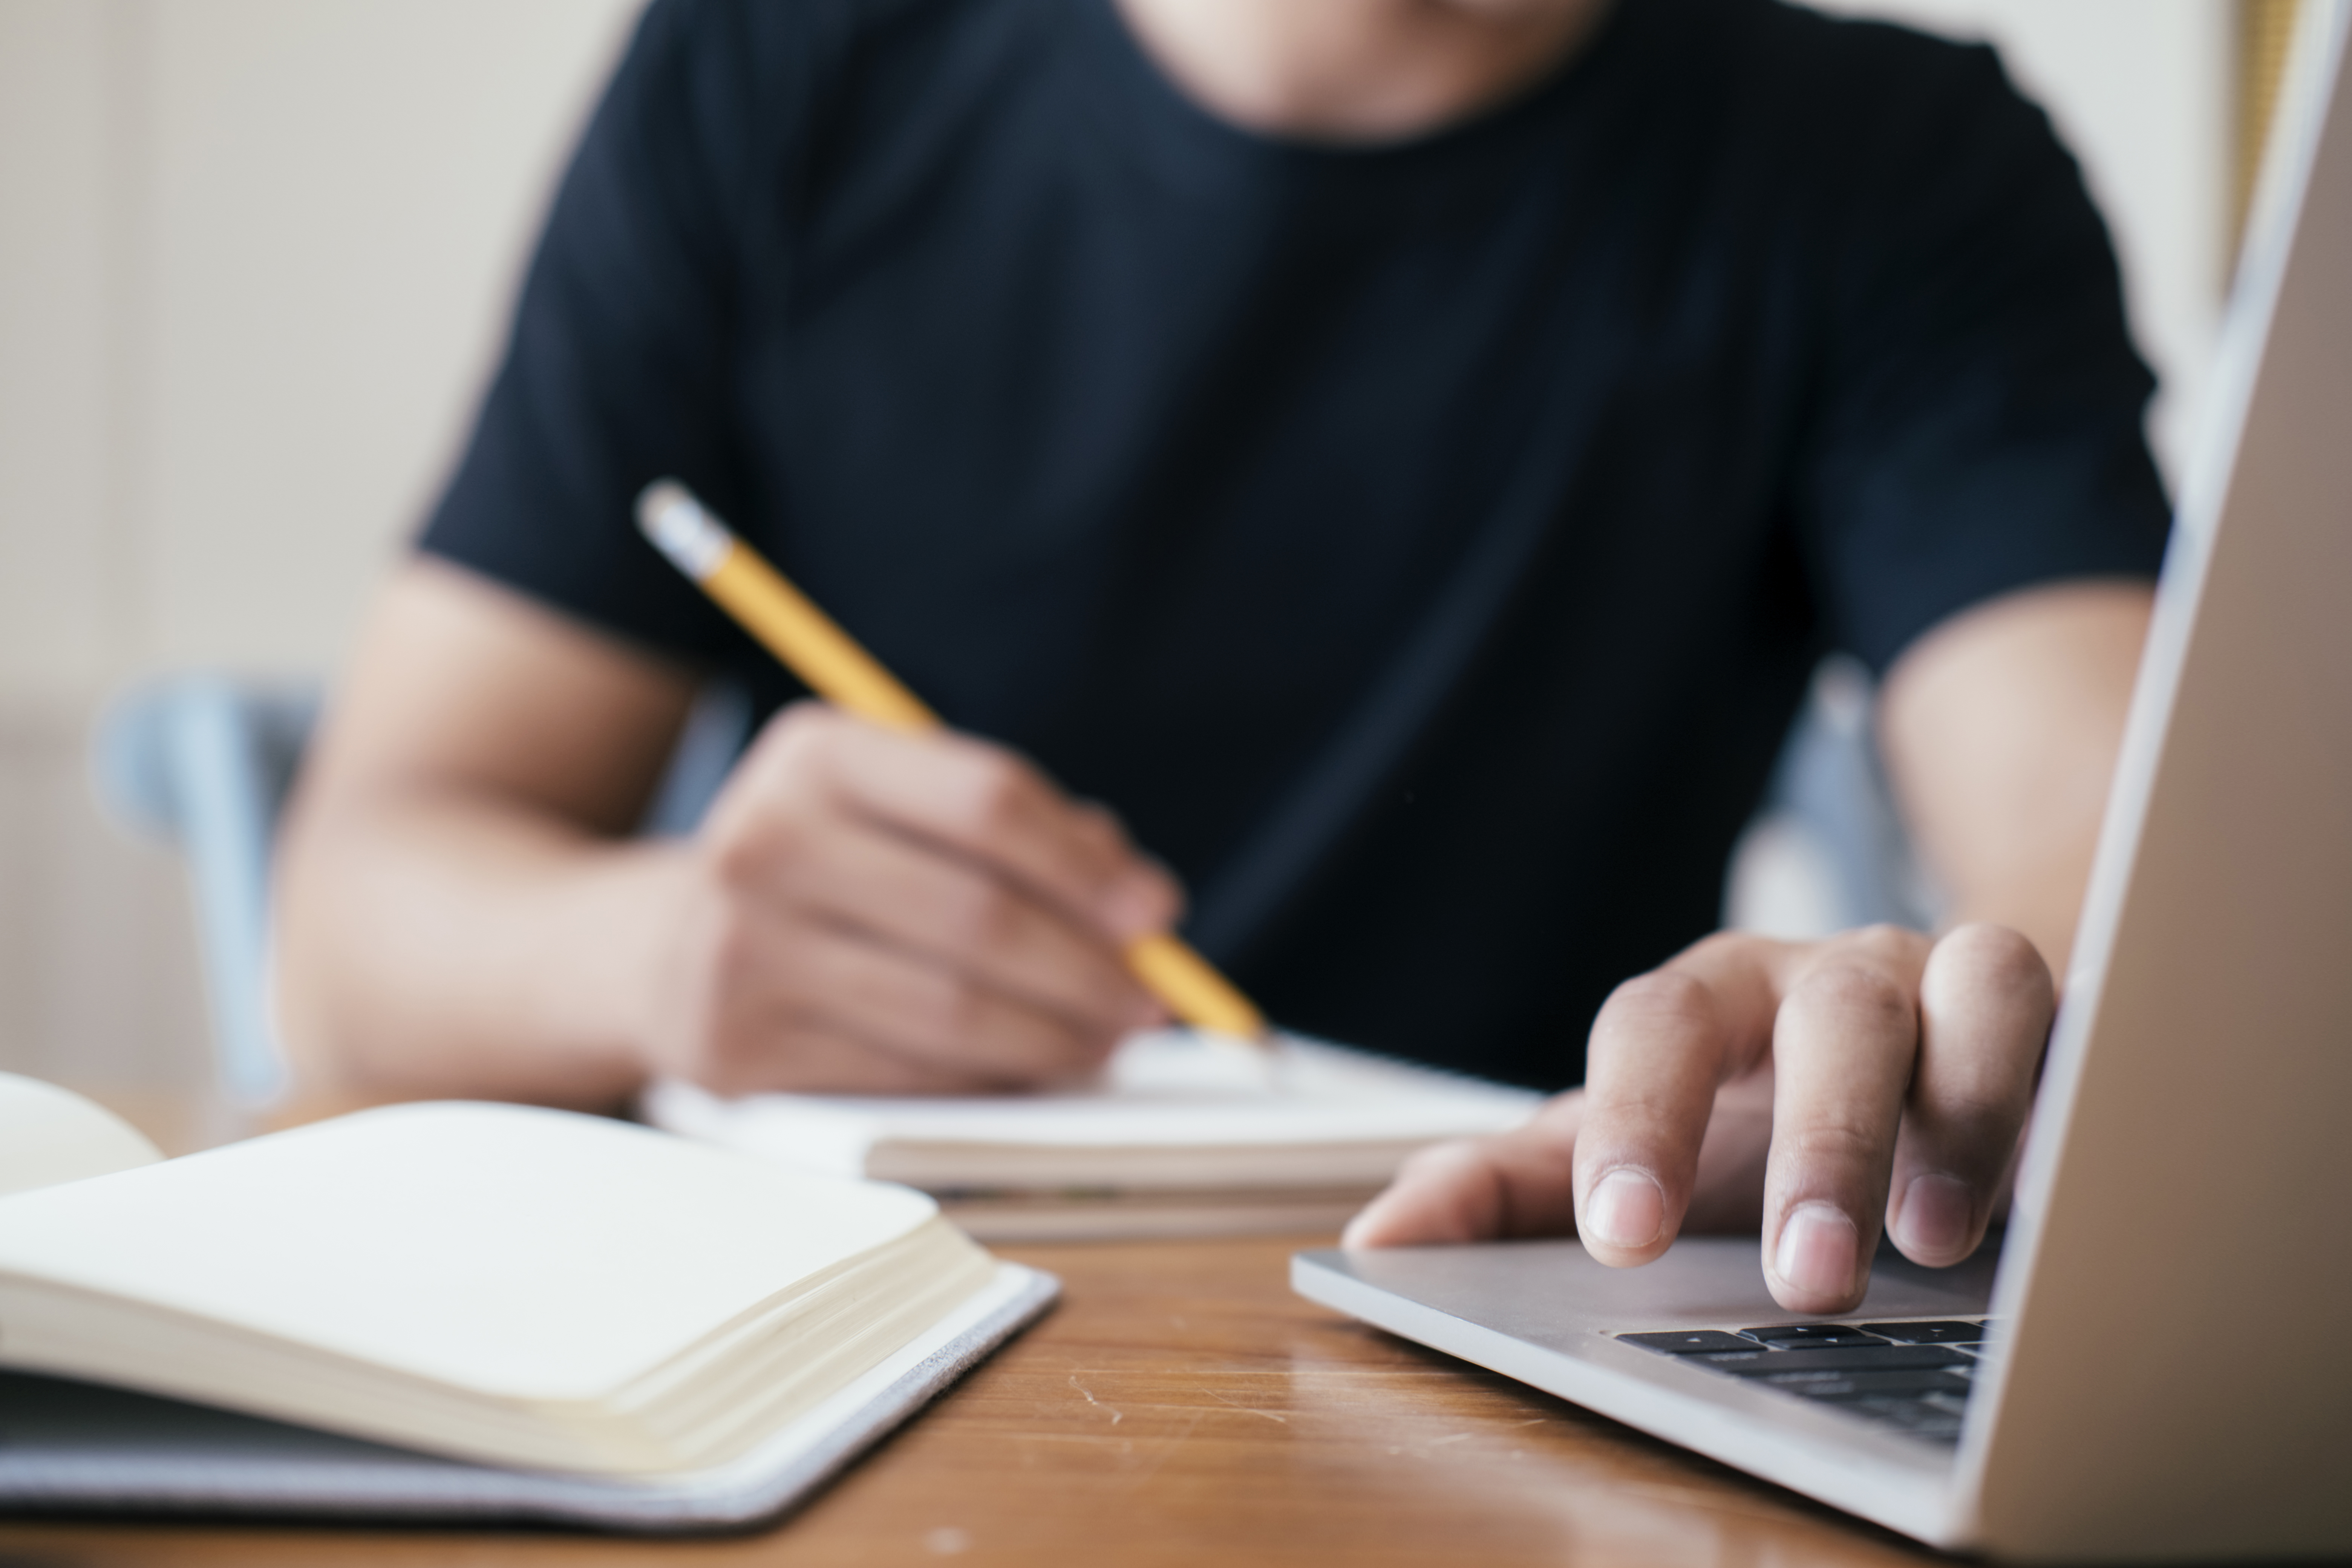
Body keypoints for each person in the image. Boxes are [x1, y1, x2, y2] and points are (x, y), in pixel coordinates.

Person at [274, 0, 2166, 1315]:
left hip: (1509, 1302)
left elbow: (2117, 849)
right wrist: (660, 949)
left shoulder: (1902, 171)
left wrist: (1936, 1042)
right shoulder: (779, 71)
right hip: (842, 1315)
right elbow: (354, 919)